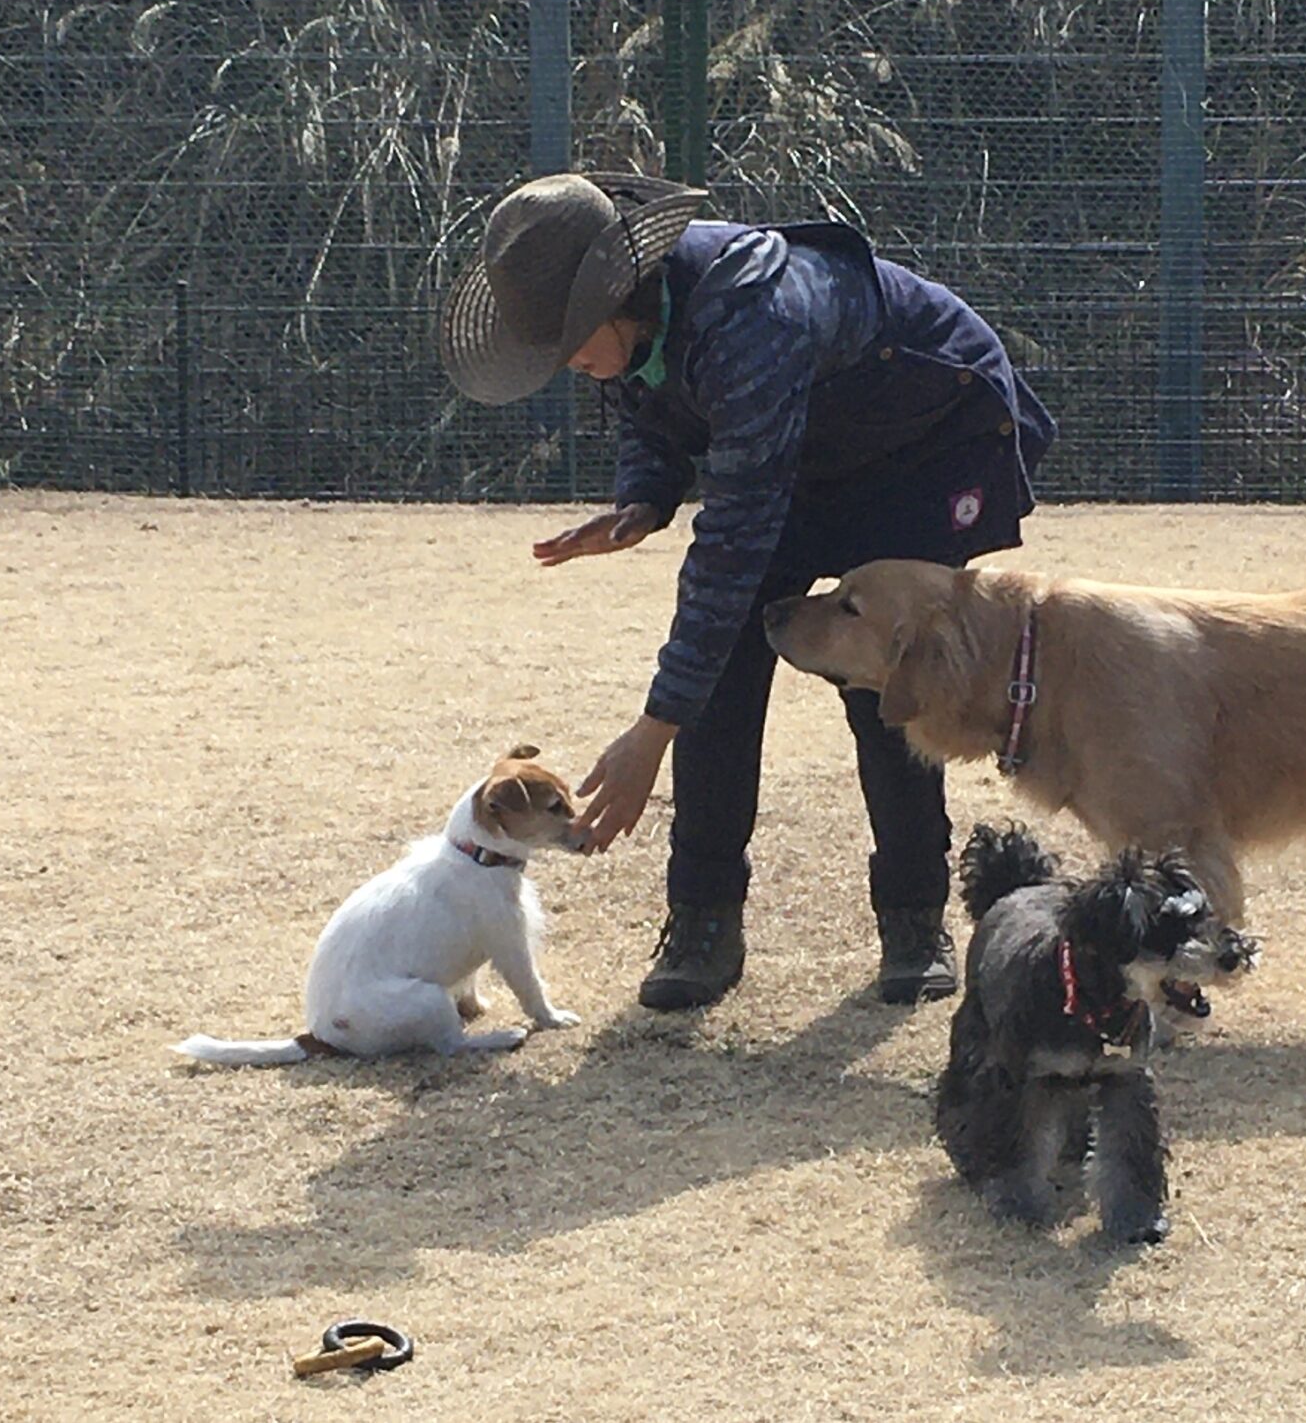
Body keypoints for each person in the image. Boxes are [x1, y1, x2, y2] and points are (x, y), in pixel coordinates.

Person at [439, 170, 1055, 1011]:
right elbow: (650, 401)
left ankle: (914, 917)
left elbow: (733, 539)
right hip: (802, 451)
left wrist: (653, 729)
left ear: (618, 296)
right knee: (723, 670)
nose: (569, 365)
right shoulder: (640, 317)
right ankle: (703, 922)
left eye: (573, 341)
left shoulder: (749, 316)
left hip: (916, 443)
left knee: (885, 679)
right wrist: (644, 498)